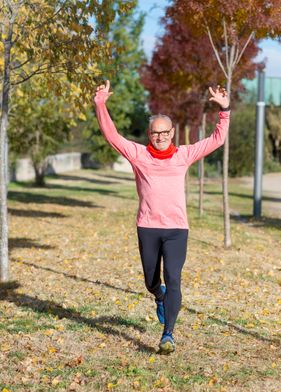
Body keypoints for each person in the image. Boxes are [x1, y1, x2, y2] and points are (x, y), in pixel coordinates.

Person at [94, 80, 230, 354]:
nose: (160, 137)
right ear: (149, 134)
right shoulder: (139, 155)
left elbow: (217, 139)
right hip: (147, 226)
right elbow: (112, 136)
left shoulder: (183, 155)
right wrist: (100, 104)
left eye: (164, 132)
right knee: (151, 280)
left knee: (175, 277)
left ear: (171, 133)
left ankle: (168, 334)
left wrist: (224, 110)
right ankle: (159, 295)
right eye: (155, 133)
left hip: (177, 229)